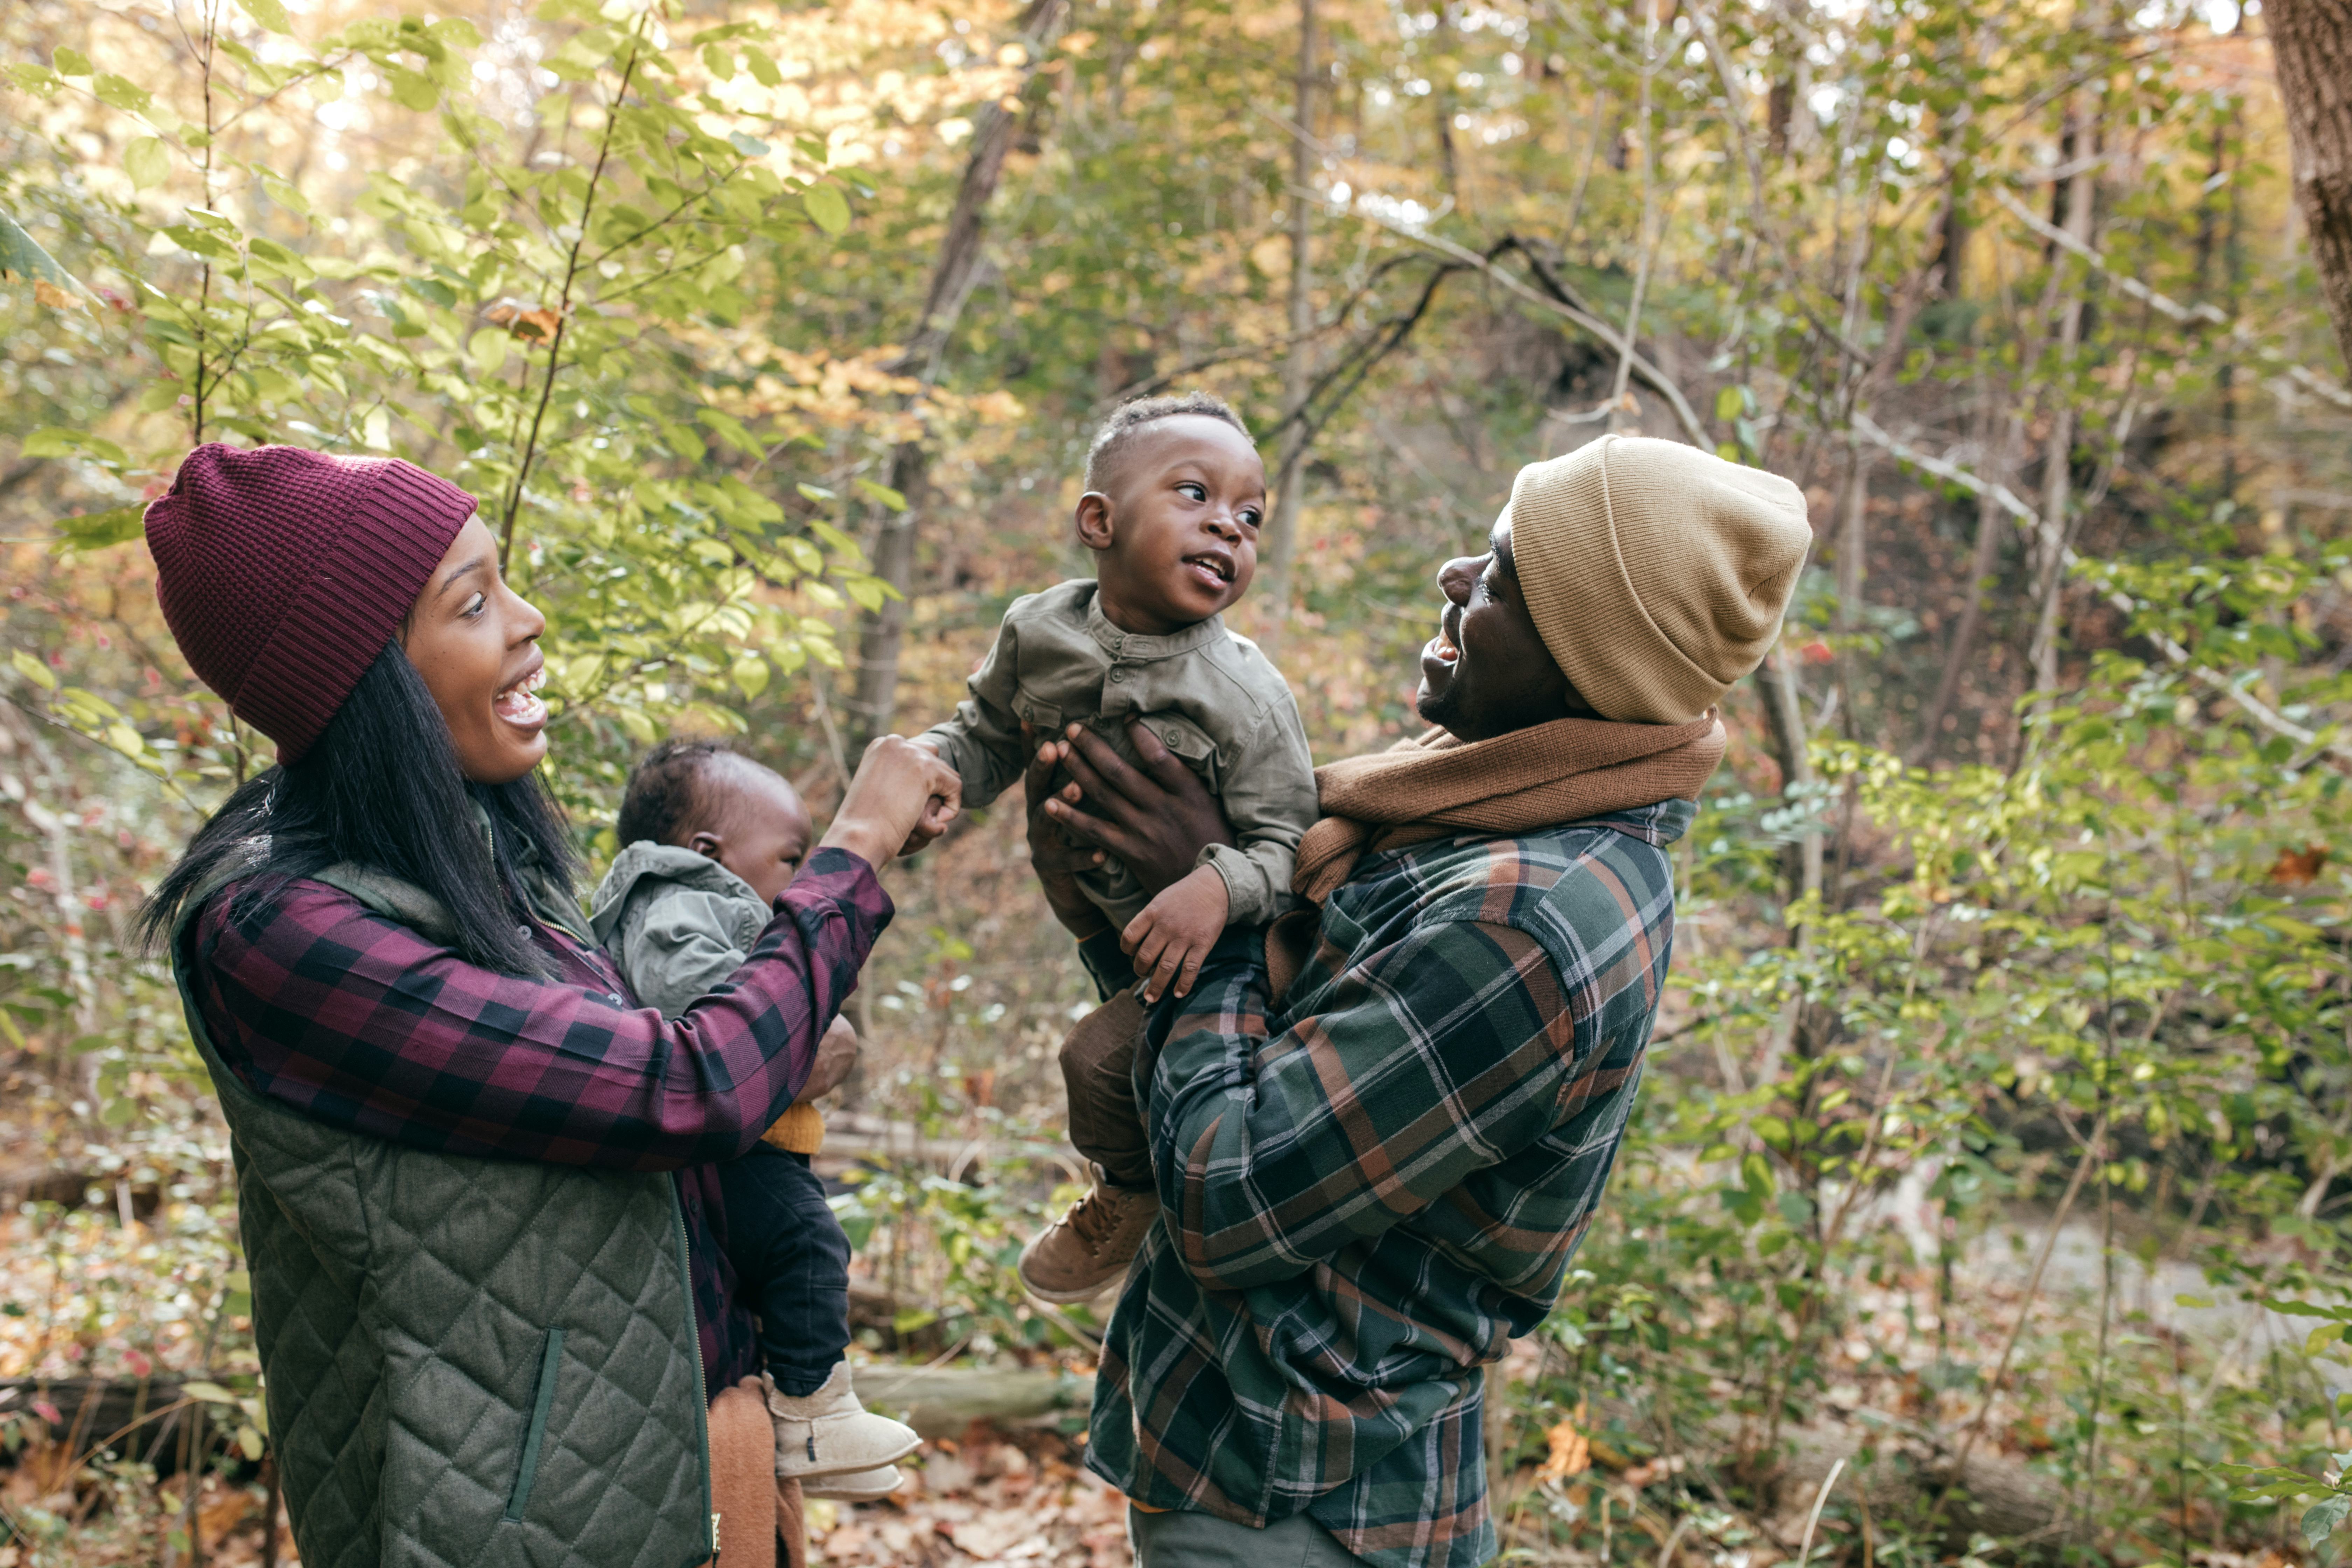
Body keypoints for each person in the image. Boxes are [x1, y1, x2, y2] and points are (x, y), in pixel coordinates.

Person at [135, 443, 959, 1567]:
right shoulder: (281, 937)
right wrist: (852, 853)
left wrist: (792, 1036)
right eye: (473, 604)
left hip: (685, 1459)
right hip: (505, 1526)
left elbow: (659, 1085)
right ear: (365, 680)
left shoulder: (474, 864)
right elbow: (688, 1088)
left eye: (506, 582)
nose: (527, 622)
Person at [1025, 435, 1812, 1568]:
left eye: (1501, 575)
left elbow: (1231, 1201)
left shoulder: (1528, 919)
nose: (1453, 576)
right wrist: (1141, 890)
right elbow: (1227, 1055)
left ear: (1590, 654)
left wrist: (1217, 901)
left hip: (1301, 1504)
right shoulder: (1458, 816)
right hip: (1254, 1465)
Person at [912, 391, 1318, 1304]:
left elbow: (1295, 847)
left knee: (1098, 1062)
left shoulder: (1242, 695)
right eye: (1194, 494)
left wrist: (1219, 887)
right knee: (1132, 1073)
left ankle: (1129, 1203)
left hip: (1237, 949)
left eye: (1251, 516)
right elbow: (985, 733)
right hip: (1120, 938)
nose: (1229, 525)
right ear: (1099, 520)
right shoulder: (1038, 630)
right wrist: (932, 778)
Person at [588, 740, 920, 1501]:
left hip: (744, 1146)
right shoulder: (677, 904)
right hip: (730, 1152)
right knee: (808, 1240)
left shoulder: (703, 900)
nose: (802, 882)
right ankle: (813, 1410)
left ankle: (816, 1418)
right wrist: (786, 1013)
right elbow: (699, 1007)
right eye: (790, 859)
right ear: (708, 851)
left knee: (787, 1259)